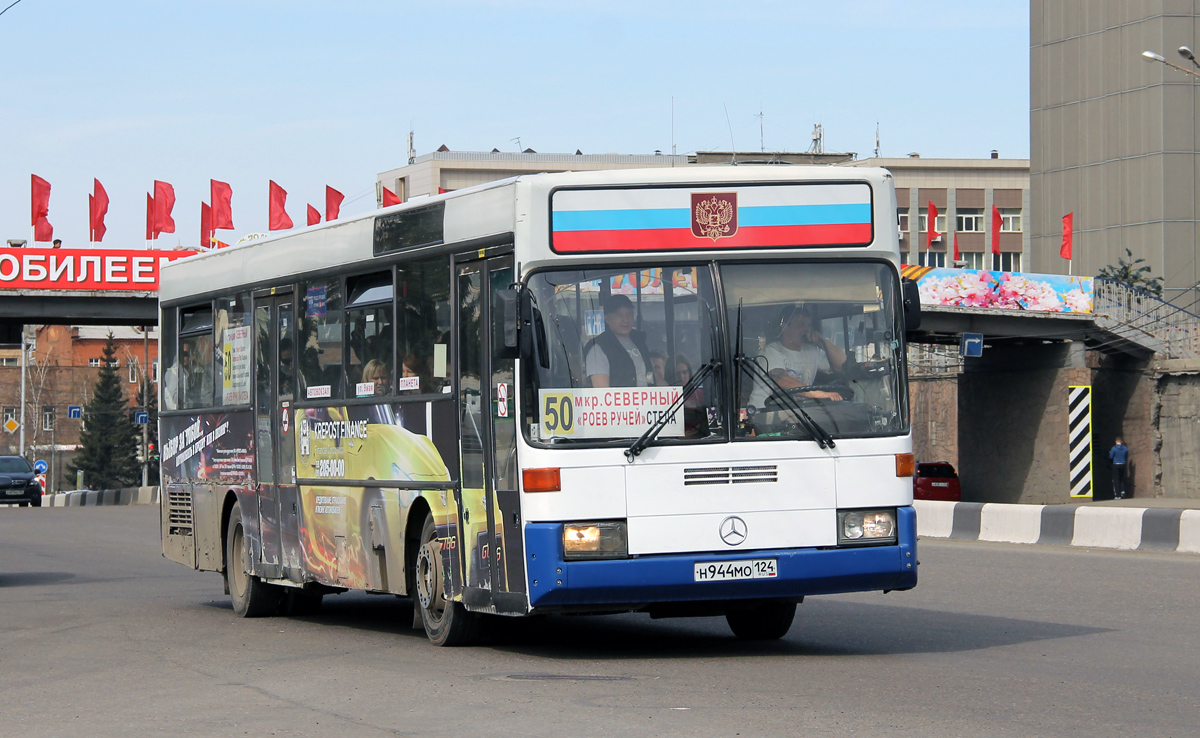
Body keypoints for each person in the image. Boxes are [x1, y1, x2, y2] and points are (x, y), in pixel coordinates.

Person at [748, 304, 847, 410]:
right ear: (785, 327)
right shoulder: (771, 351)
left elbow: (842, 366)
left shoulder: (812, 351)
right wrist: (818, 394)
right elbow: (782, 380)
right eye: (801, 324)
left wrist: (823, 342)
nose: (806, 329)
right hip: (764, 413)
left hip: (795, 414)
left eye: (808, 325)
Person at [584, 294, 653, 388]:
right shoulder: (599, 348)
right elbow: (601, 391)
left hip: (650, 401)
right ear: (607, 319)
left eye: (629, 314)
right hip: (620, 402)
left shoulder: (640, 342)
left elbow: (652, 377)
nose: (626, 320)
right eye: (619, 315)